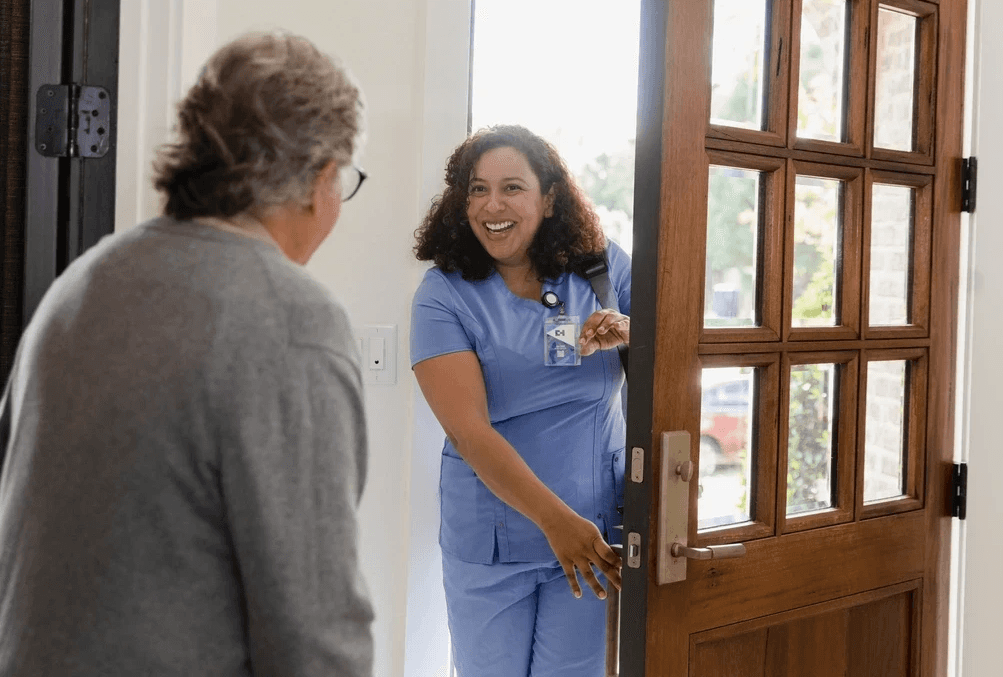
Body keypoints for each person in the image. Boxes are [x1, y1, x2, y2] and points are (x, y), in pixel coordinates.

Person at [0, 32, 373, 676]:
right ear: (319, 182)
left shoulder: (80, 287)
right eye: (346, 180)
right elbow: (316, 636)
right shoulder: (292, 319)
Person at [410, 125, 631, 677]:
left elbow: (674, 366)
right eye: (477, 189)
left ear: (549, 197)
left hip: (593, 532)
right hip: (495, 543)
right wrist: (559, 523)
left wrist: (632, 332)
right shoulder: (444, 295)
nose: (493, 205)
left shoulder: (602, 270)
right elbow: (471, 433)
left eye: (512, 187)